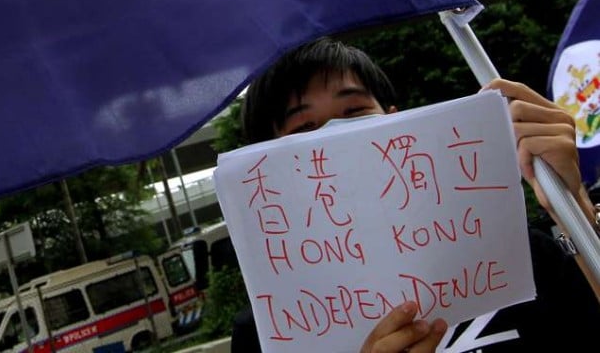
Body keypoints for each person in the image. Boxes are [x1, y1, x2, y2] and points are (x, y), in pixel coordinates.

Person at [229, 37, 600, 353]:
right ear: (265, 166)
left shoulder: (516, 257)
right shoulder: (269, 333)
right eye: (305, 126)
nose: (335, 136)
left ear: (397, 120)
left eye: (355, 110)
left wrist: (573, 204)